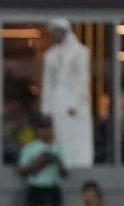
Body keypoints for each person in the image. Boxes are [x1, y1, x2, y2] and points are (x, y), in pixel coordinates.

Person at [41, 19, 93, 168]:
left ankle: (80, 163)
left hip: (75, 102)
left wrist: (75, 103)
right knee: (61, 135)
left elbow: (82, 79)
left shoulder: (80, 52)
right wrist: (47, 108)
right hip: (58, 101)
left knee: (77, 136)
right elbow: (48, 83)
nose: (55, 35)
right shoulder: (50, 55)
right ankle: (64, 162)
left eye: (57, 31)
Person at [18, 116, 68, 206]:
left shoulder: (57, 147)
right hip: (37, 188)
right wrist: (40, 161)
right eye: (42, 128)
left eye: (48, 128)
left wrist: (57, 161)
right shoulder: (30, 147)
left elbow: (65, 173)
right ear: (37, 130)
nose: (46, 131)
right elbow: (22, 171)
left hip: (52, 188)